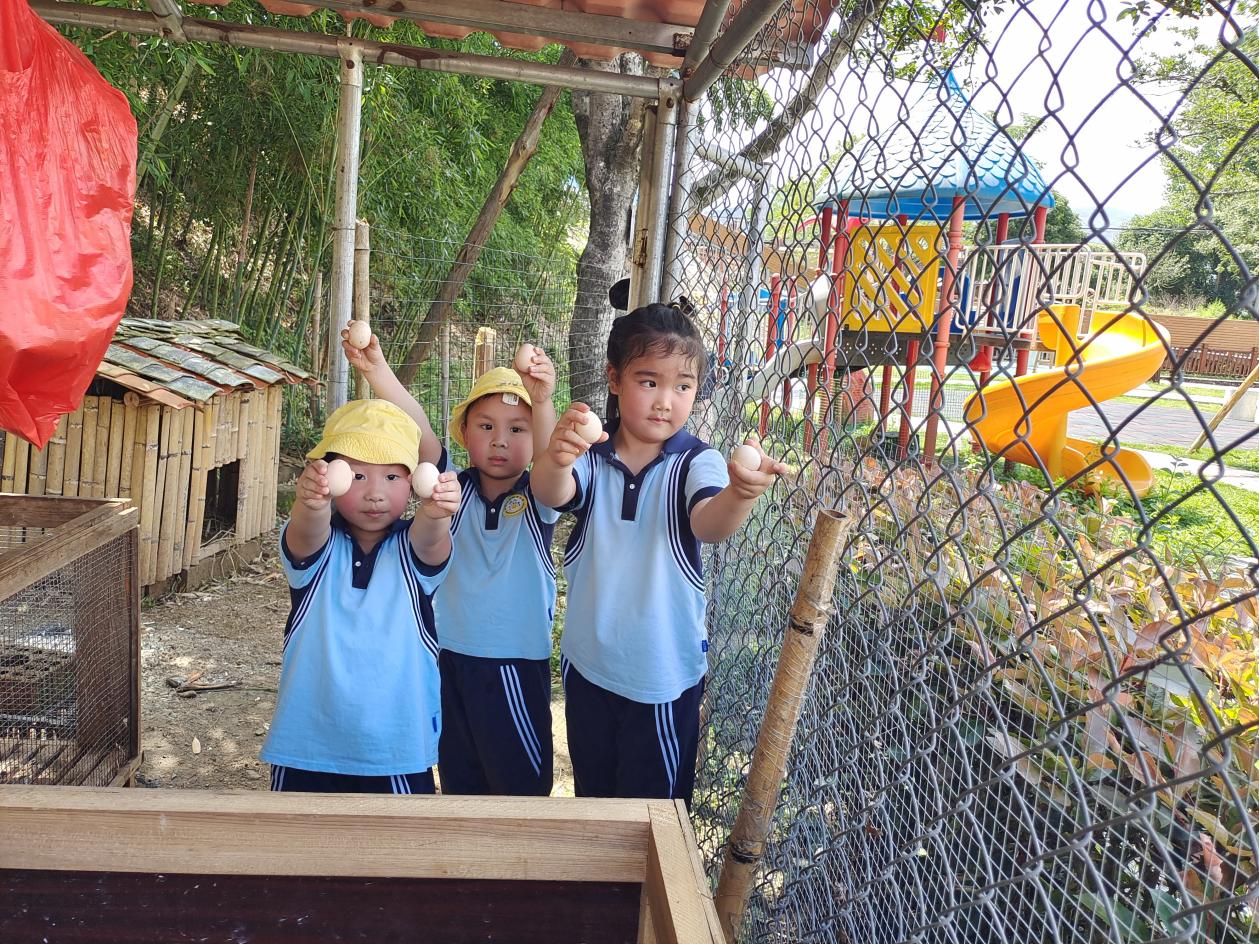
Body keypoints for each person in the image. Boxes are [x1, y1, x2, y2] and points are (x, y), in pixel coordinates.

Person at [530, 302, 788, 805]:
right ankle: (601, 888)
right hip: (589, 671)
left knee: (655, 820)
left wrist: (739, 493)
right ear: (614, 379)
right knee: (596, 805)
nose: (666, 401)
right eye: (649, 382)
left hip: (662, 682)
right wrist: (556, 456)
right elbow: (551, 492)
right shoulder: (595, 456)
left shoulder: (698, 461)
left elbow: (708, 523)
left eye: (683, 386)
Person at [344, 327, 561, 796]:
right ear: (464, 434)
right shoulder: (451, 488)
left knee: (519, 789)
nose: (500, 441)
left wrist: (543, 401)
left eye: (516, 429)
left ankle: (519, 866)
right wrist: (376, 369)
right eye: (486, 427)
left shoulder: (541, 494)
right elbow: (420, 429)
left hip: (515, 666)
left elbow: (550, 460)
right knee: (460, 777)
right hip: (447, 656)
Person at [260, 398, 461, 794]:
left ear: (414, 481)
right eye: (356, 476)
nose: (375, 494)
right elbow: (306, 531)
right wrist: (311, 502)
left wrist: (437, 512)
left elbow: (431, 538)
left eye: (391, 477)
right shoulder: (318, 553)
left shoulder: (412, 552)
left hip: (395, 753)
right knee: (297, 853)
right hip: (307, 748)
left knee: (392, 855)